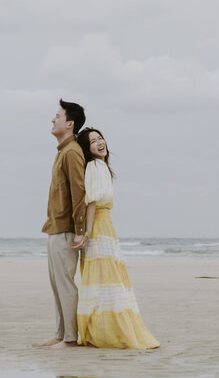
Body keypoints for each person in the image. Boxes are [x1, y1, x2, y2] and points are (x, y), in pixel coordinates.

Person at [72, 127, 159, 349]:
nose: (100, 143)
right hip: (99, 227)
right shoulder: (93, 166)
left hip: (105, 226)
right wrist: (87, 231)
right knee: (103, 278)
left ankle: (105, 331)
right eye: (93, 141)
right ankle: (101, 331)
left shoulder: (101, 167)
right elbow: (91, 201)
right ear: (87, 149)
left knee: (104, 278)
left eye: (100, 138)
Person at [36, 99, 87, 350]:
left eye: (57, 116)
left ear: (70, 123)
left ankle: (70, 339)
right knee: (56, 285)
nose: (52, 119)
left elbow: (79, 193)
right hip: (54, 227)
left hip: (67, 231)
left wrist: (80, 232)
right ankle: (60, 334)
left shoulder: (72, 152)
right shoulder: (62, 151)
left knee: (65, 284)